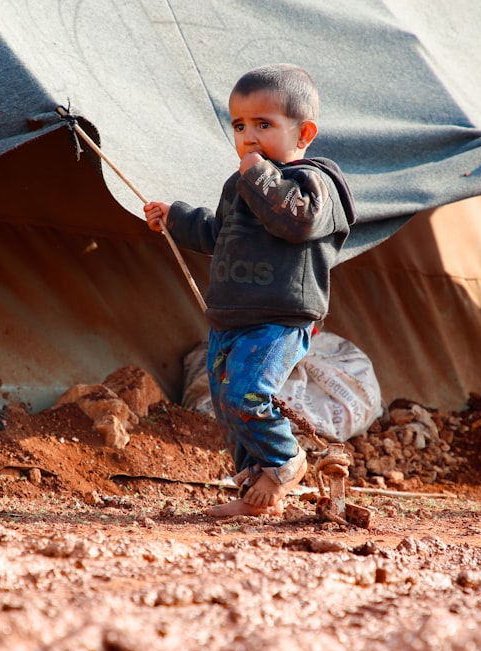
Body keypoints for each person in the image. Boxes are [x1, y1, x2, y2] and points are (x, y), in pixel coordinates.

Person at [144, 63, 357, 517]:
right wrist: (175, 218)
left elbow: (296, 220)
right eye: (239, 126)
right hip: (231, 318)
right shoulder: (242, 185)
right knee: (226, 405)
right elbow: (217, 233)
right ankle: (255, 491)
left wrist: (258, 175)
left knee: (247, 395)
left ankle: (285, 462)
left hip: (279, 319)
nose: (249, 137)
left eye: (264, 124)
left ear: (304, 133)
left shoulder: (315, 184)